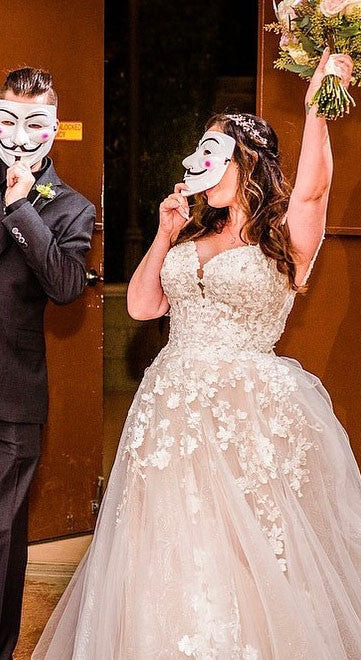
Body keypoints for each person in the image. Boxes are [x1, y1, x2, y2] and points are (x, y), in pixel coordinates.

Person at [33, 50, 361, 659]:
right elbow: (142, 307)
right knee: (172, 542)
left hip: (247, 414)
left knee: (245, 547)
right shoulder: (191, 232)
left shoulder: (284, 236)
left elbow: (314, 190)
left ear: (246, 164)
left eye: (212, 151)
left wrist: (317, 109)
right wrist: (164, 233)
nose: (197, 163)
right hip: (170, 412)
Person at [0, 68, 95, 659]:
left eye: (34, 122)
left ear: (53, 129)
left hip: (12, 396)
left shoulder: (71, 208)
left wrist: (20, 206)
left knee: (1, 532)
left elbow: (65, 287)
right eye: (7, 120)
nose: (18, 134)